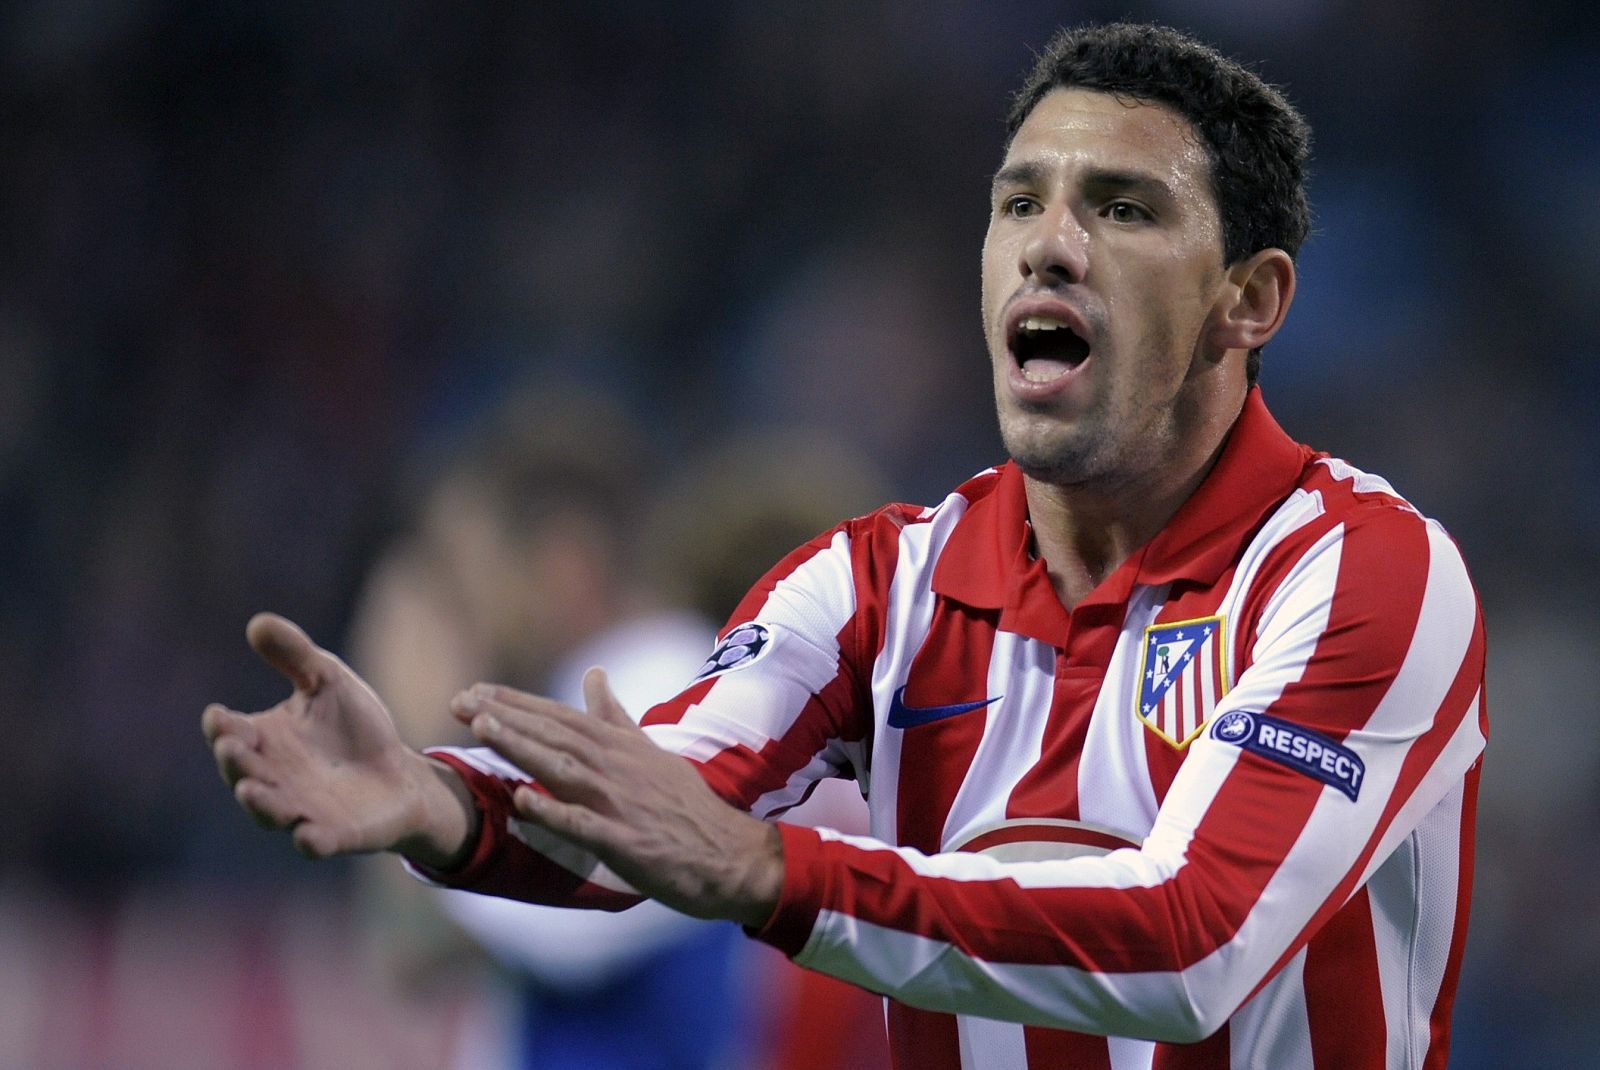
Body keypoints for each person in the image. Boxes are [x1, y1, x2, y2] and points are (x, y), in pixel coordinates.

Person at [203, 23, 1486, 1069]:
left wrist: (773, 872)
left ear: (1248, 299)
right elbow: (651, 813)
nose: (1049, 242)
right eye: (1019, 201)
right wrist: (441, 802)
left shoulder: (1364, 572)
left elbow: (1189, 940)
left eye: (1124, 208)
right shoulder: (874, 580)